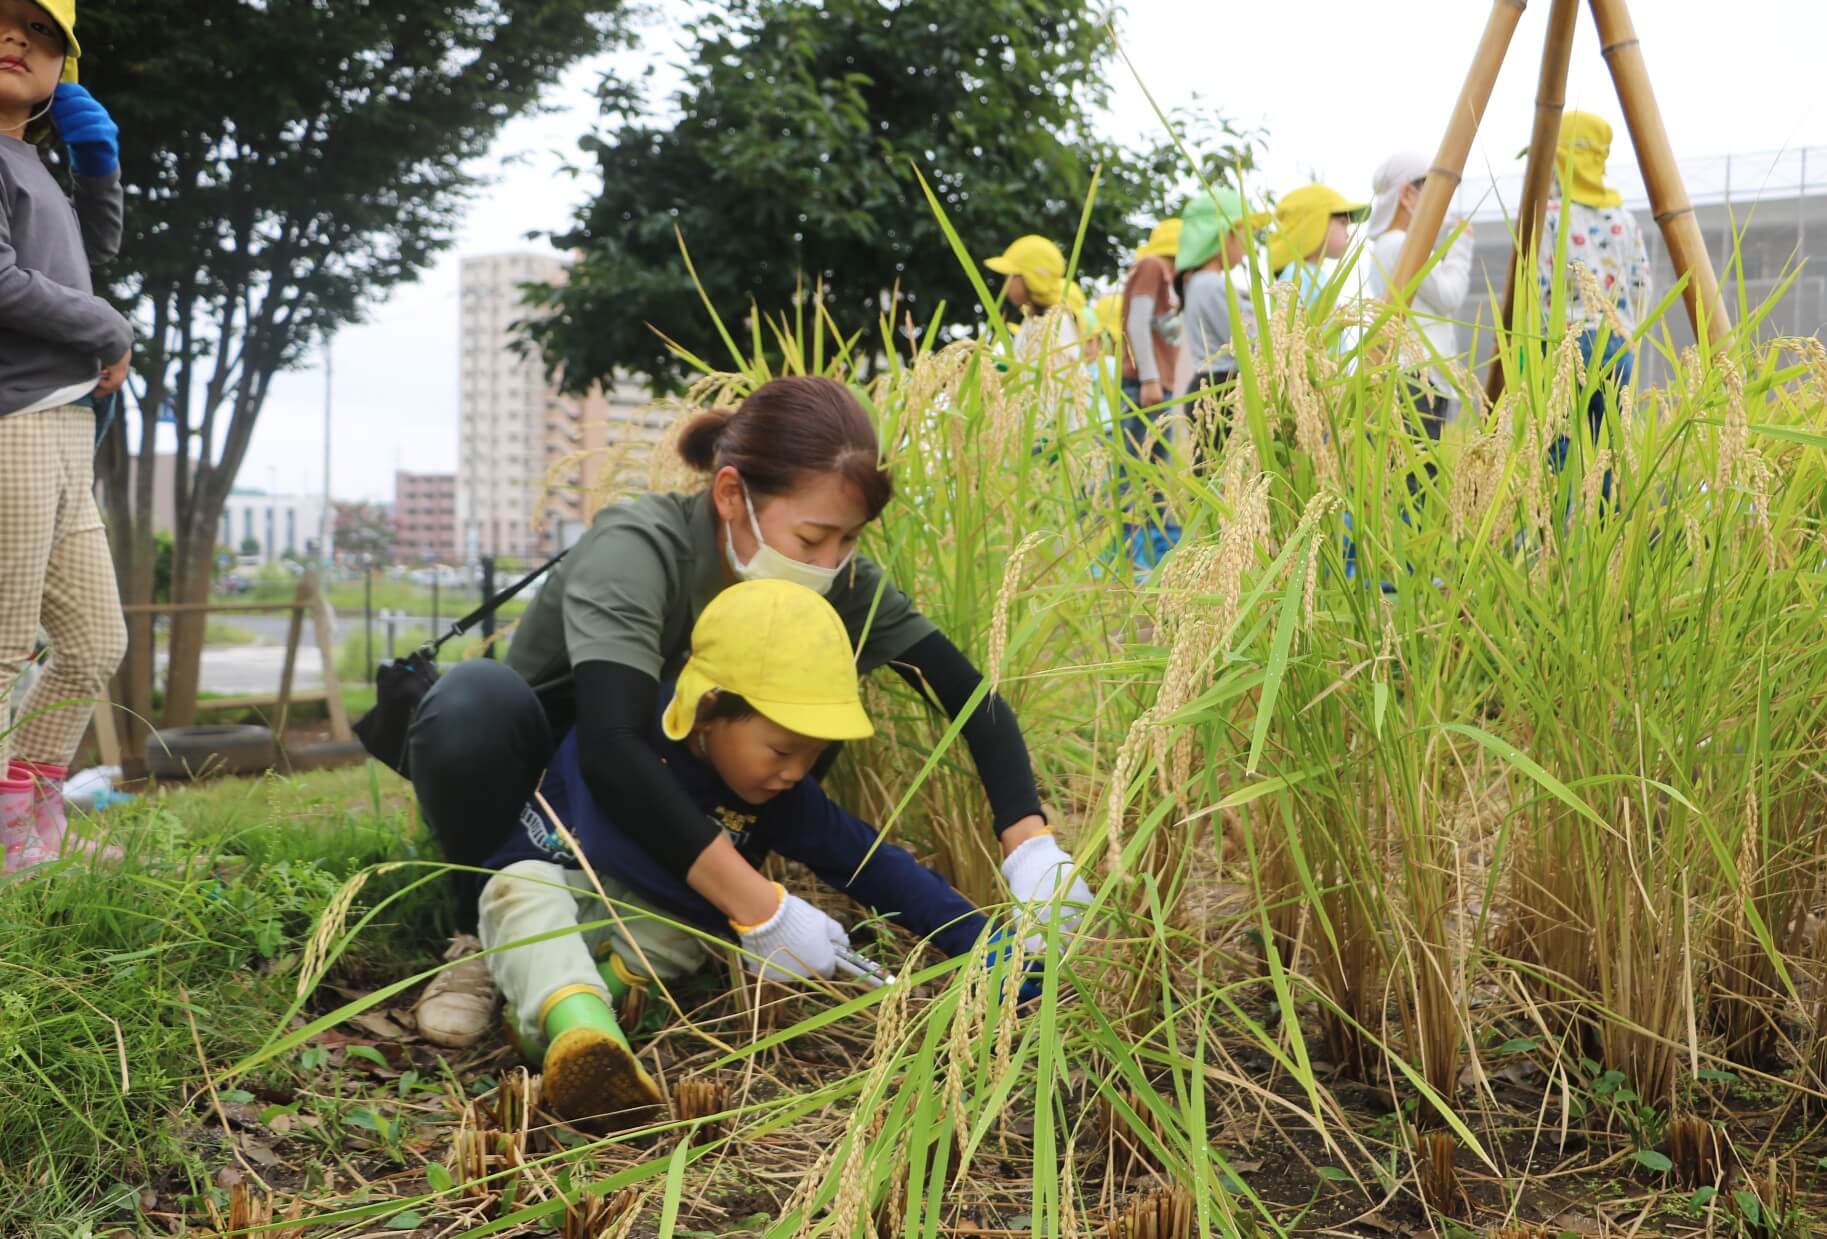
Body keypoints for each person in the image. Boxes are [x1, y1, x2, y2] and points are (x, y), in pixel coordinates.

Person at [405, 375, 1093, 1046]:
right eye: (813, 537)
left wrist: (1028, 846)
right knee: (475, 703)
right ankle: (474, 933)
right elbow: (611, 745)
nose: (829, 563)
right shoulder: (639, 550)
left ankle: (634, 957)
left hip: (694, 790)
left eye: (848, 540)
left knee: (802, 709)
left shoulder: (831, 579)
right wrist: (758, 903)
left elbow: (966, 694)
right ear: (731, 493)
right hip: (559, 780)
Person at [478, 579, 1016, 1126]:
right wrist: (762, 906)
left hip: (637, 942)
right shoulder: (624, 736)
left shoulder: (780, 793)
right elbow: (614, 840)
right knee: (520, 891)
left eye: (814, 756)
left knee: (680, 930)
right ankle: (581, 1029)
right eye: (782, 750)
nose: (795, 773)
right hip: (565, 893)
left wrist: (996, 949)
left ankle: (576, 1030)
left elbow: (872, 864)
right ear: (708, 711)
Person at [0, 0, 131, 873]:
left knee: (93, 643)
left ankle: (23, 820)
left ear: (61, 71)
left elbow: (94, 257)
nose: (17, 39)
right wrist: (109, 328)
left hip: (61, 424)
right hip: (12, 420)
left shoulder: (28, 162)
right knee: (5, 651)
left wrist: (96, 164)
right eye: (1, 23)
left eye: (40, 32)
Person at [1539, 111, 1650, 446]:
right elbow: (1641, 284)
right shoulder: (1624, 219)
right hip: (1617, 340)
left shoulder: (1551, 217)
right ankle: (1607, 501)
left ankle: (1557, 501)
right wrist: (1629, 329)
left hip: (1566, 340)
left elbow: (1542, 284)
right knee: (1612, 450)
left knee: (1558, 445)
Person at [1364, 151, 1475, 438]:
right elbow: (1450, 295)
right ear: (1406, 195)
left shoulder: (1384, 246)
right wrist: (1461, 245)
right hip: (1419, 379)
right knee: (1420, 477)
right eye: (1430, 191)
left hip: (1411, 377)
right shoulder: (1402, 245)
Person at [1117, 219, 1182, 455]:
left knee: (1155, 473)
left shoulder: (1168, 278)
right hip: (1143, 385)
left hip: (1160, 385)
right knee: (1135, 470)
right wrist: (1149, 379)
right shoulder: (1151, 266)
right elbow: (1137, 323)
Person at [1265, 183, 1369, 307]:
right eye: (1343, 223)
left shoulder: (1314, 274)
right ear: (1314, 224)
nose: (1348, 234)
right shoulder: (1296, 275)